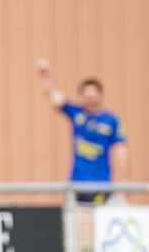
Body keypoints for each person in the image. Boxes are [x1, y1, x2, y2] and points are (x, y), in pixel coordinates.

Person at [35, 59, 130, 203]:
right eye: (86, 93)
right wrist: (44, 75)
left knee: (99, 220)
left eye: (93, 93)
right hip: (77, 182)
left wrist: (125, 180)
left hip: (101, 183)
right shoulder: (77, 113)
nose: (90, 96)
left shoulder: (112, 119)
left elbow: (121, 149)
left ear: (100, 94)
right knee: (73, 221)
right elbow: (54, 96)